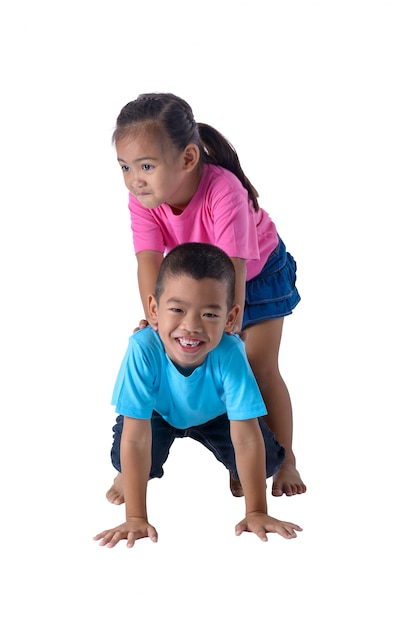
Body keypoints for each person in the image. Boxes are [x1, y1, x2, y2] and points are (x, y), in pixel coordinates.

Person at [106, 91, 306, 503]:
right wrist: (157, 317)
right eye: (125, 167)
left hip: (253, 272)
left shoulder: (223, 191)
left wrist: (229, 319)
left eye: (146, 166)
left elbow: (234, 266)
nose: (134, 178)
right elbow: (148, 261)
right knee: (198, 354)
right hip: (197, 280)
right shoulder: (142, 197)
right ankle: (140, 467)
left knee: (257, 363)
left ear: (188, 159)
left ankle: (283, 460)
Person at [94, 243, 302, 547]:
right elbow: (136, 436)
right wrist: (135, 517)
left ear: (230, 319)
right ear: (154, 309)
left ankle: (239, 474)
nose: (191, 326)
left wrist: (256, 511)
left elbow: (246, 436)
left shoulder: (230, 353)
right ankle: (130, 476)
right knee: (127, 458)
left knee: (268, 462)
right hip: (158, 414)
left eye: (208, 314)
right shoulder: (142, 349)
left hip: (216, 415)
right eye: (177, 309)